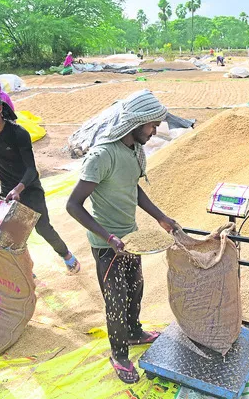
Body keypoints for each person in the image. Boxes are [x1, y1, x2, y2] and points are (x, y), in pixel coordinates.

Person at [66, 90, 178, 384]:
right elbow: (73, 205)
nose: (154, 132)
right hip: (108, 246)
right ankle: (119, 354)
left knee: (135, 289)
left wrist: (160, 217)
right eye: (151, 126)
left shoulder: (134, 151)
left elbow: (133, 188)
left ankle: (134, 331)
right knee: (116, 300)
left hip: (131, 240)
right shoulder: (102, 155)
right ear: (137, 123)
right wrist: (109, 237)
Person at [0, 88, 81, 274]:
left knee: (43, 229)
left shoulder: (18, 133)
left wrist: (18, 189)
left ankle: (67, 255)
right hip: (7, 192)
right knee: (10, 235)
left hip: (30, 190)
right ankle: (26, 269)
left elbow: (31, 169)